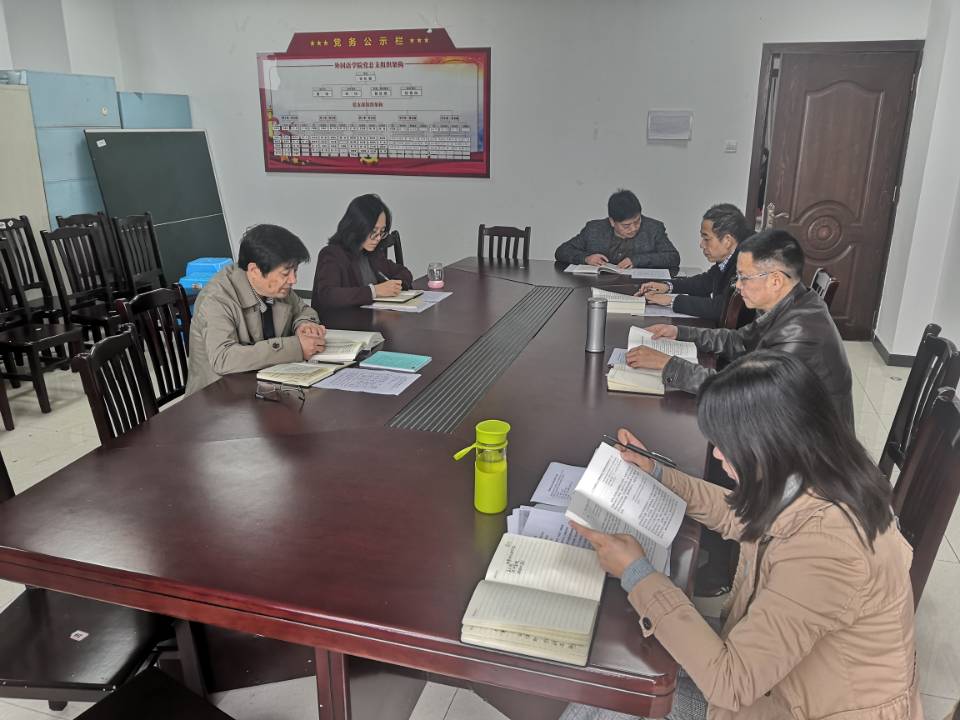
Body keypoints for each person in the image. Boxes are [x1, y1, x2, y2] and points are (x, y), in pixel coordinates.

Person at [569, 351, 921, 720]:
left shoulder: (828, 547)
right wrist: (658, 474)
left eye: (727, 444)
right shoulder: (818, 475)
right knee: (625, 659)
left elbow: (731, 683)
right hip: (780, 678)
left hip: (788, 703)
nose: (718, 454)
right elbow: (739, 513)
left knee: (604, 698)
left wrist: (637, 573)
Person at [626, 229, 853, 427]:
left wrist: (668, 365)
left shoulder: (800, 333)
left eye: (744, 278)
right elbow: (739, 341)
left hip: (805, 447)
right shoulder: (790, 303)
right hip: (782, 424)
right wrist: (680, 332)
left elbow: (744, 396)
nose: (737, 286)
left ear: (775, 280)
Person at [186, 224, 325, 395]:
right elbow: (223, 358)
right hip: (219, 397)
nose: (293, 280)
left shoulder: (276, 287)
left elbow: (302, 310)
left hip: (262, 387)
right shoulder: (216, 299)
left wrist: (305, 325)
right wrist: (296, 347)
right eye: (285, 273)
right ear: (254, 271)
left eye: (295, 271)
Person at [637, 204, 755, 323]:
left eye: (706, 239)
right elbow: (705, 282)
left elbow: (722, 307)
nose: (701, 245)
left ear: (727, 240)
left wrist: (671, 301)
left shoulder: (749, 263)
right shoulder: (731, 255)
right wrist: (668, 286)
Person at [311, 194, 413, 311]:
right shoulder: (332, 254)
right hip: (338, 320)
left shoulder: (373, 254)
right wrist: (374, 291)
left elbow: (404, 272)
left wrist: (395, 286)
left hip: (369, 316)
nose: (378, 238)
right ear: (357, 226)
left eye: (382, 232)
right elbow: (328, 295)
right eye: (374, 231)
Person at [554, 189, 680, 273]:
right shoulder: (594, 229)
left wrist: (636, 260)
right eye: (626, 225)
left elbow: (673, 257)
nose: (634, 228)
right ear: (612, 222)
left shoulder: (653, 228)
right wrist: (586, 258)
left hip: (641, 288)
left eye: (637, 221)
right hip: (599, 287)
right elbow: (562, 251)